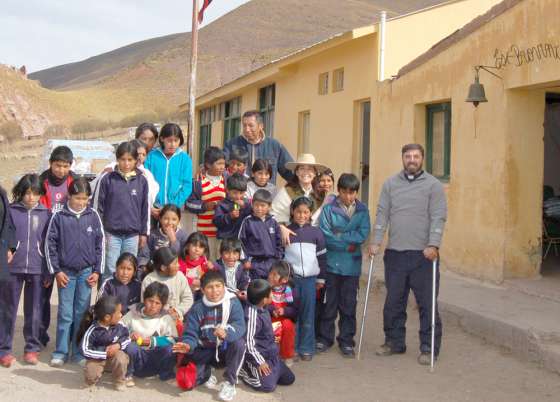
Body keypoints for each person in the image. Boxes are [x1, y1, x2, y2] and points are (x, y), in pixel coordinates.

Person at [369, 143, 447, 365]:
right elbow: (382, 213)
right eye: (407, 156)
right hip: (395, 255)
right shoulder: (390, 184)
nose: (411, 159)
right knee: (393, 301)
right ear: (402, 159)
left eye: (415, 156)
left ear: (422, 158)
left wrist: (434, 244)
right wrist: (376, 242)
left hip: (424, 256)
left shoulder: (433, 185)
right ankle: (394, 342)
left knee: (427, 303)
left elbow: (438, 216)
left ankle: (428, 347)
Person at [45, 178, 105, 367]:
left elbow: (100, 244)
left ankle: (78, 352)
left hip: (86, 273)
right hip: (66, 274)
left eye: (85, 199)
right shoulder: (59, 216)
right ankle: (61, 352)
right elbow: (50, 245)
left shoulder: (93, 215)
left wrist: (97, 271)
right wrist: (56, 271)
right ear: (69, 196)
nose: (81, 202)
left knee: (82, 313)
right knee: (65, 313)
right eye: (78, 198)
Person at [316, 173, 371, 358]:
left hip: (352, 267)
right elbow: (325, 235)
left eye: (352, 192)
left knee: (349, 305)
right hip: (331, 264)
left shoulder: (362, 210)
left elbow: (363, 234)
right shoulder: (328, 209)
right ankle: (325, 339)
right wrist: (348, 242)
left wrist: (340, 235)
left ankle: (347, 341)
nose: (348, 196)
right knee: (329, 304)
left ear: (356, 192)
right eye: (345, 192)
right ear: (338, 191)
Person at [172, 271, 246, 401]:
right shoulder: (197, 308)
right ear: (202, 290)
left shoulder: (233, 303)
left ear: (224, 286)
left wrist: (226, 333)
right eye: (210, 287)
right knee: (187, 383)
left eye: (218, 286)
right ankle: (207, 371)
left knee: (239, 343)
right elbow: (191, 333)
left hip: (223, 350)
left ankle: (230, 382)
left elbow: (240, 325)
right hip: (204, 350)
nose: (215, 291)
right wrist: (188, 345)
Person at [0, 175, 49, 367]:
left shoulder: (46, 213)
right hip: (13, 268)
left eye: (35, 193)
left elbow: (48, 245)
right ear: (21, 192)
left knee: (34, 310)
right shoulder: (11, 211)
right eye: (27, 193)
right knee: (7, 309)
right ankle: (4, 350)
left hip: (37, 268)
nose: (31, 197)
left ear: (40, 194)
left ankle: (31, 348)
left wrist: (47, 271)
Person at [93, 141, 149, 282]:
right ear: (117, 159)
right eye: (123, 159)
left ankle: (125, 303)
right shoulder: (108, 179)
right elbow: (99, 208)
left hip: (132, 235)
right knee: (110, 271)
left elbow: (144, 208)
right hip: (111, 234)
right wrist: (100, 232)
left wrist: (143, 233)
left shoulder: (142, 181)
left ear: (136, 160)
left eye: (130, 160)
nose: (126, 163)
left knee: (129, 271)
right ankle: (106, 302)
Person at [38, 145, 76, 348]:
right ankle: (39, 334)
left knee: (67, 296)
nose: (61, 170)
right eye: (57, 165)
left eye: (65, 166)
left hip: (67, 245)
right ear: (50, 163)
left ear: (70, 166)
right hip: (44, 244)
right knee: (43, 293)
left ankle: (69, 338)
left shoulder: (75, 183)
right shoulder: (41, 182)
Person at [283, 196, 327, 361]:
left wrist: (321, 279)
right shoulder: (286, 231)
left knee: (308, 313)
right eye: (298, 212)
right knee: (292, 313)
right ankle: (291, 348)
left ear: (310, 214)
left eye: (306, 212)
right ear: (292, 212)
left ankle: (306, 347)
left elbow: (322, 258)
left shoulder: (316, 233)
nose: (302, 215)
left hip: (310, 281)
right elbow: (281, 256)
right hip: (291, 283)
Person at [239, 279, 295, 393]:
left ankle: (273, 370)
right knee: (268, 387)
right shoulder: (251, 316)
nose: (272, 295)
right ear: (264, 300)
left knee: (289, 379)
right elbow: (248, 344)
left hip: (271, 355)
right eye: (270, 294)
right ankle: (244, 370)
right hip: (258, 358)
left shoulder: (263, 307)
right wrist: (260, 362)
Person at [122, 282, 179, 382]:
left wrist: (152, 341)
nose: (153, 306)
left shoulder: (165, 318)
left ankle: (166, 374)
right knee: (130, 347)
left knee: (170, 349)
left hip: (156, 358)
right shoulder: (132, 314)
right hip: (138, 358)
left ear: (163, 305)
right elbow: (118, 330)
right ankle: (129, 373)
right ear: (144, 299)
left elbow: (173, 340)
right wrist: (130, 336)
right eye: (150, 301)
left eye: (157, 303)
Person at [223, 110, 294, 184]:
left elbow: (290, 174)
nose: (247, 129)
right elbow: (221, 168)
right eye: (244, 125)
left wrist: (297, 193)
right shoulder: (231, 144)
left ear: (261, 126)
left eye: (251, 125)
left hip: (265, 194)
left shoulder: (274, 146)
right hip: (240, 193)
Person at [77, 295, 131, 390]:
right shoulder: (93, 330)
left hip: (115, 356)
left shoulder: (120, 325)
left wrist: (118, 345)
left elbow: (127, 338)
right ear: (107, 317)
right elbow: (84, 350)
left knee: (121, 358)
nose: (121, 315)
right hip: (97, 358)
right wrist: (104, 353)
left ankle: (119, 380)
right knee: (91, 374)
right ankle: (91, 380)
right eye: (118, 312)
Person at [271, 154, 327, 244]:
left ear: (315, 173)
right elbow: (274, 215)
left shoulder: (320, 193)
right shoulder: (287, 192)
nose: (305, 172)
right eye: (302, 169)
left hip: (315, 240)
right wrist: (282, 228)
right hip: (292, 239)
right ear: (296, 172)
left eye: (310, 169)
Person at [186, 146, 227, 260]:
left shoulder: (226, 180)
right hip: (204, 234)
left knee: (219, 262)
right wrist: (204, 206)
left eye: (223, 163)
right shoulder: (198, 182)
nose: (222, 167)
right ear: (208, 165)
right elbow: (189, 203)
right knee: (205, 262)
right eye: (218, 164)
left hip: (221, 233)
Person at [144, 123, 193, 216]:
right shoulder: (151, 157)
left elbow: (187, 186)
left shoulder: (185, 159)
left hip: (174, 208)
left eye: (176, 140)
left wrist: (172, 205)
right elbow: (145, 181)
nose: (173, 144)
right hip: (153, 208)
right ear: (162, 139)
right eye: (169, 140)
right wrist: (150, 205)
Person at [239, 189, 283, 280]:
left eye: (263, 205)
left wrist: (278, 258)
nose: (259, 208)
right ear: (252, 205)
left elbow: (279, 242)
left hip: (271, 263)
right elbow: (240, 242)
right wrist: (245, 260)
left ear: (269, 206)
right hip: (254, 263)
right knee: (256, 289)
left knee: (270, 289)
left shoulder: (273, 222)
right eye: (256, 205)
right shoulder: (247, 221)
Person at [141, 246, 193, 321]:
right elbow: (144, 304)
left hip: (175, 321)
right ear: (163, 268)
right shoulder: (149, 280)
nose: (178, 265)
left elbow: (188, 299)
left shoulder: (180, 276)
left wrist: (178, 311)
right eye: (175, 263)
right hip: (154, 321)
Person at [137, 204, 188, 275]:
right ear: (160, 219)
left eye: (174, 219)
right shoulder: (152, 235)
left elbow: (181, 257)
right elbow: (144, 255)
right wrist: (144, 266)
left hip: (174, 272)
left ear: (179, 220)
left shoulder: (183, 236)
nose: (169, 223)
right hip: (154, 270)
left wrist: (173, 240)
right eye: (166, 218)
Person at [267, 261, 298, 364]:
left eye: (275, 275)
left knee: (288, 326)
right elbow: (261, 304)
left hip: (283, 319)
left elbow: (295, 310)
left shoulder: (290, 291)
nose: (270, 276)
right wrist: (271, 310)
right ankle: (266, 356)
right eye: (270, 273)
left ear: (284, 279)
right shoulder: (265, 288)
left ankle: (287, 355)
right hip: (269, 318)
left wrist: (284, 311)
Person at [213, 173, 252, 240]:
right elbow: (216, 222)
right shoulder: (222, 204)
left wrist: (245, 207)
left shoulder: (247, 203)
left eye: (241, 193)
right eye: (235, 193)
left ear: (245, 191)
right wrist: (229, 216)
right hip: (225, 240)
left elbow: (253, 217)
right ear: (227, 190)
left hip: (242, 240)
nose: (238, 196)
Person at [179, 232, 213, 298]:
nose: (197, 249)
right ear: (187, 246)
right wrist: (193, 281)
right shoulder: (182, 261)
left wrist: (211, 268)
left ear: (204, 250)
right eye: (194, 245)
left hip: (201, 292)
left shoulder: (205, 262)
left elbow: (212, 277)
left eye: (201, 247)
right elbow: (179, 277)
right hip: (185, 292)